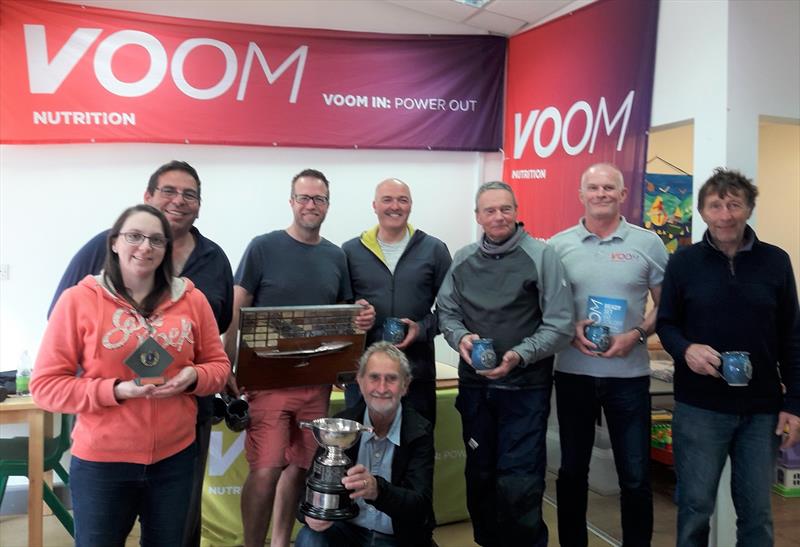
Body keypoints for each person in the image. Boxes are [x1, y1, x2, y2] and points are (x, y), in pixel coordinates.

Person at [47, 160, 233, 547]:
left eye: (156, 240)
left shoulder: (192, 297)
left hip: (176, 458)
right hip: (102, 462)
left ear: (167, 249)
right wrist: (113, 391)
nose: (145, 247)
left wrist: (194, 377)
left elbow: (218, 364)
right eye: (134, 236)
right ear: (113, 242)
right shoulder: (78, 300)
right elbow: (48, 387)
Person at [224, 168, 375, 547]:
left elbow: (342, 316)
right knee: (266, 468)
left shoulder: (335, 256)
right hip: (268, 385)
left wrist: (359, 318)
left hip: (316, 386)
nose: (311, 205)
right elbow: (236, 312)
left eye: (318, 199)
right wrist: (226, 369)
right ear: (291, 202)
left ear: (327, 205)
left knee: (300, 466)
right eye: (304, 198)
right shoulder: (263, 246)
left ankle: (280, 542)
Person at [656, 168, 800, 546]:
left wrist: (794, 404)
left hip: (761, 411)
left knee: (757, 515)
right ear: (702, 211)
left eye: (734, 205)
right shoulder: (683, 262)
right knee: (694, 507)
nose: (725, 215)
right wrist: (685, 349)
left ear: (749, 209)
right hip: (700, 409)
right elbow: (667, 324)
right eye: (715, 206)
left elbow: (792, 337)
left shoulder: (776, 262)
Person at [437, 181, 574, 547]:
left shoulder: (542, 256)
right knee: (480, 474)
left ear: (516, 210)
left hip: (524, 389)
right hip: (476, 388)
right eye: (490, 210)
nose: (498, 217)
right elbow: (447, 313)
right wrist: (460, 338)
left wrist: (520, 354)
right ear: (478, 216)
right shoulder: (463, 259)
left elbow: (560, 324)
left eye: (505, 209)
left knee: (520, 479)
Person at [548, 163, 668, 546]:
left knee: (634, 476)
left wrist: (636, 334)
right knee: (571, 472)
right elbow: (547, 308)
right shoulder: (557, 245)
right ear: (581, 195)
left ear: (623, 194)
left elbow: (665, 308)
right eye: (594, 188)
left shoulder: (648, 244)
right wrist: (570, 331)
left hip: (629, 378)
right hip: (573, 374)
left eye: (609, 188)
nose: (601, 194)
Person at [295, 341, 436, 547]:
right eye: (374, 377)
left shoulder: (419, 431)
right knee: (310, 538)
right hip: (346, 531)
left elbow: (420, 506)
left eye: (391, 379)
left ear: (405, 385)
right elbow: (307, 490)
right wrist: (308, 515)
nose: (381, 388)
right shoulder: (339, 426)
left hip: (397, 538)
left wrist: (378, 490)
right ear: (360, 382)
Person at [342, 178, 451, 425]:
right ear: (374, 205)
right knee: (362, 444)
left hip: (416, 371)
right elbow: (339, 305)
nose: (395, 206)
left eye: (402, 200)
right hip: (364, 373)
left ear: (411, 205)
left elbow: (452, 309)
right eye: (387, 199)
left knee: (417, 445)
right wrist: (354, 314)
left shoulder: (434, 250)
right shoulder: (350, 251)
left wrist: (421, 329)